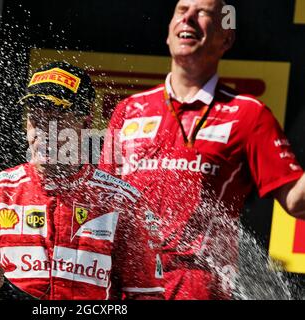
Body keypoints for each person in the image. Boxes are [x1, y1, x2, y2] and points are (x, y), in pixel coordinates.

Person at [100, 0, 305, 300]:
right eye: (181, 11)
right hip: (125, 285)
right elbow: (102, 203)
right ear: (168, 33)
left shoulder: (248, 114)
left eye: (204, 13)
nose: (189, 19)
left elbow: (296, 201)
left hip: (196, 287)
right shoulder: (128, 110)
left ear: (227, 37)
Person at [0, 61, 164, 300]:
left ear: (85, 124)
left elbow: (146, 296)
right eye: (35, 118)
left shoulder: (123, 202)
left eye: (56, 117)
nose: (43, 130)